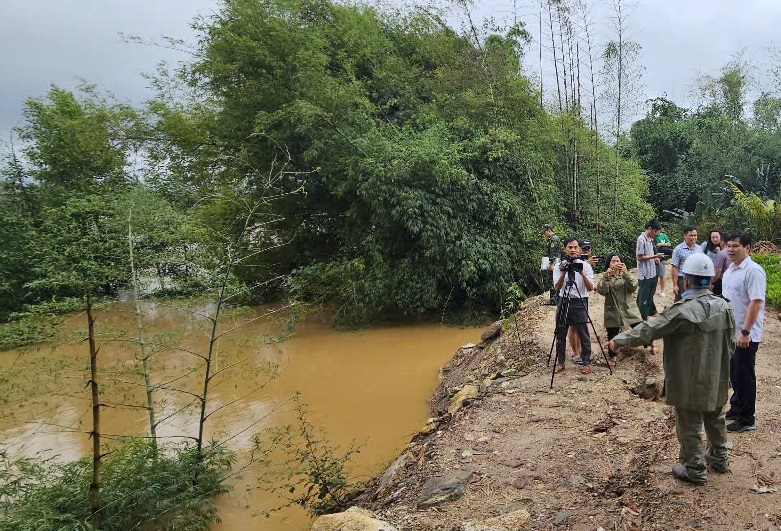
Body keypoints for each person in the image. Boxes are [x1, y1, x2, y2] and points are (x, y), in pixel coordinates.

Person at [606, 253, 735, 485]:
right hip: (717, 376)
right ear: (711, 280)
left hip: (689, 378)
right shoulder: (725, 308)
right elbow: (731, 344)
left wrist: (619, 341)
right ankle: (719, 458)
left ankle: (695, 469)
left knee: (689, 423)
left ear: (687, 281)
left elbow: (649, 329)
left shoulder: (681, 311)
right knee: (716, 416)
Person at [722, 231, 767, 433]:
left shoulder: (753, 271)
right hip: (730, 332)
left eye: (735, 246)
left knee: (744, 376)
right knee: (734, 374)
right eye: (728, 246)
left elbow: (756, 302)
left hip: (745, 334)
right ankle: (737, 407)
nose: (730, 249)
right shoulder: (731, 269)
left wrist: (746, 331)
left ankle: (747, 418)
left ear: (747, 248)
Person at [552, 237, 595, 375]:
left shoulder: (586, 266)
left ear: (579, 249)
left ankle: (586, 362)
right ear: (565, 249)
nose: (573, 250)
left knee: (584, 333)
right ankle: (560, 362)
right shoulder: (559, 266)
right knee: (560, 332)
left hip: (580, 301)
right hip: (563, 300)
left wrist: (581, 272)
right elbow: (557, 287)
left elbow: (590, 288)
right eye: (570, 247)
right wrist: (563, 272)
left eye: (575, 247)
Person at [596, 253, 642, 368]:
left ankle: (650, 344)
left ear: (622, 263)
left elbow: (634, 286)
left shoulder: (626, 274)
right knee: (612, 333)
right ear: (609, 264)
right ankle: (613, 356)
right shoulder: (606, 276)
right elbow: (601, 291)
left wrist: (626, 273)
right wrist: (607, 277)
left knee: (640, 328)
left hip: (628, 309)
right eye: (613, 261)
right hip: (613, 310)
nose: (616, 263)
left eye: (618, 261)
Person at [568, 239, 599, 364]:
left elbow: (590, 284)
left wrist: (586, 264)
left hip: (583, 297)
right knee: (573, 326)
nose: (586, 251)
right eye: (583, 248)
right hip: (570, 297)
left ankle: (581, 352)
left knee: (581, 325)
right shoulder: (568, 261)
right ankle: (576, 353)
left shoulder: (585, 264)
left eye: (588, 249)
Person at [636, 219, 665, 320]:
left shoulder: (649, 239)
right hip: (645, 274)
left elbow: (649, 254)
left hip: (652, 272)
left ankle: (647, 315)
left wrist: (655, 258)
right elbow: (639, 257)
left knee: (649, 297)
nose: (657, 234)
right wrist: (654, 256)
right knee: (643, 298)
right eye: (656, 231)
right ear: (650, 229)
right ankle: (641, 319)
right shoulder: (641, 239)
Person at [670, 226, 703, 302]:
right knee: (681, 300)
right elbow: (674, 267)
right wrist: (675, 285)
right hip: (682, 279)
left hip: (696, 278)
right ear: (685, 236)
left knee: (695, 300)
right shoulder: (678, 249)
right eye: (691, 235)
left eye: (695, 235)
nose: (693, 238)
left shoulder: (699, 248)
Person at [702, 230, 725, 295]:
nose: (715, 239)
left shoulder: (724, 246)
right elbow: (700, 258)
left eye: (716, 237)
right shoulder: (705, 245)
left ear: (720, 237)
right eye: (713, 237)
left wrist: (719, 252)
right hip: (707, 274)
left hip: (720, 275)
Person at [542, 225, 561, 306]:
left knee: (551, 280)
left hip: (553, 262)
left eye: (544, 232)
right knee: (552, 280)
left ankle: (554, 300)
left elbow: (553, 253)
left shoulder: (554, 239)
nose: (544, 234)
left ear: (548, 230)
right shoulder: (551, 239)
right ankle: (556, 298)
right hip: (551, 261)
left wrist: (552, 264)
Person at [654, 227, 672, 294]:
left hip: (663, 258)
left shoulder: (663, 235)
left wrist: (661, 244)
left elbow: (669, 244)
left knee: (662, 275)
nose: (657, 232)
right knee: (654, 276)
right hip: (654, 258)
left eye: (658, 230)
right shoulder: (652, 237)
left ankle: (662, 291)